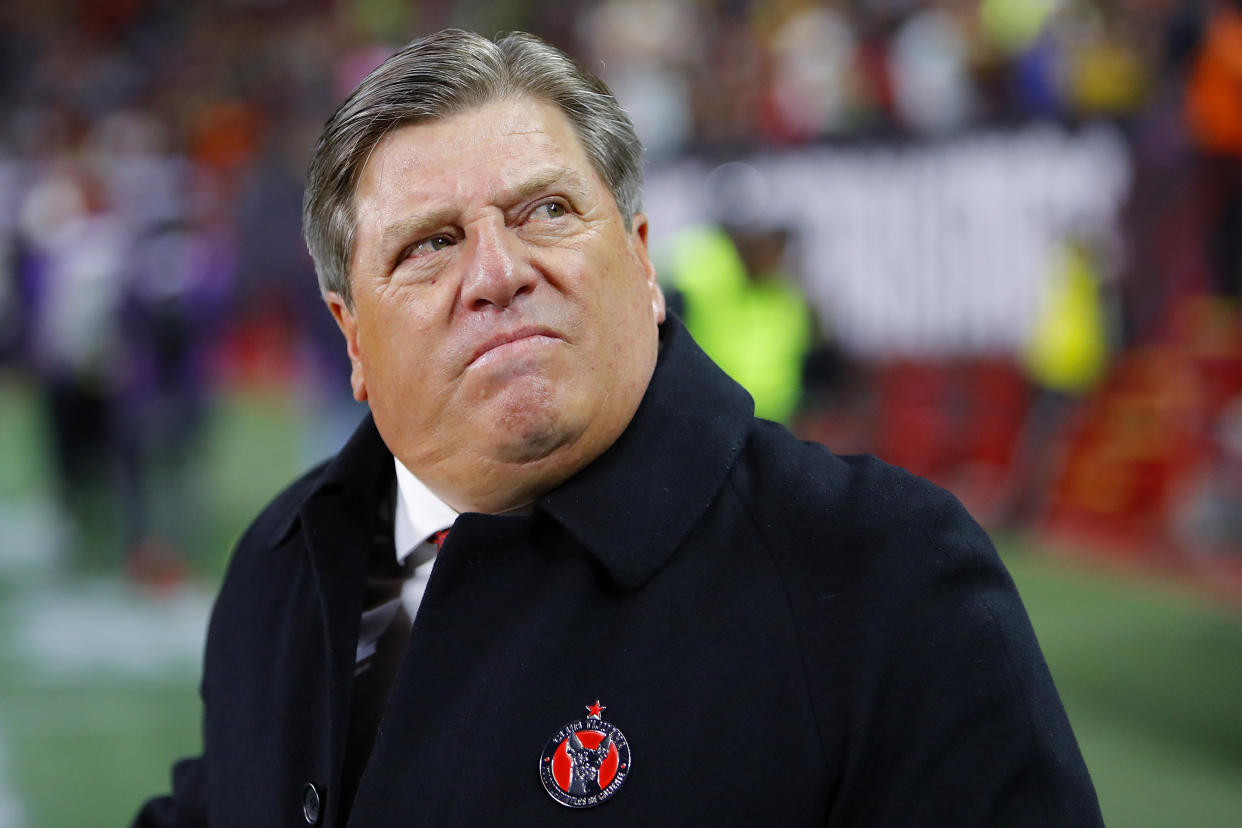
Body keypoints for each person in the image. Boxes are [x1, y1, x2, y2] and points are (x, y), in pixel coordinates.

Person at [135, 29, 1102, 827]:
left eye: (546, 211)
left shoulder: (880, 575)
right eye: (431, 243)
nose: (497, 272)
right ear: (351, 334)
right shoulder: (288, 556)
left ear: (641, 265)